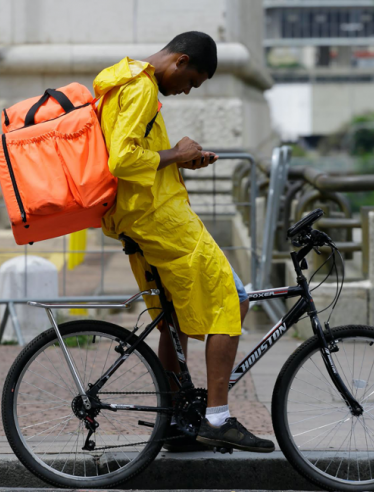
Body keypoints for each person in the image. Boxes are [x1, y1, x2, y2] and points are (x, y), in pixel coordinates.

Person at [93, 31, 274, 453]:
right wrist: (177, 153)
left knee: (172, 319)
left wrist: (181, 160)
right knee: (233, 297)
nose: (186, 89)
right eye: (192, 81)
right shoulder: (141, 87)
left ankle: (175, 422)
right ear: (180, 60)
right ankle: (217, 418)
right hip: (160, 220)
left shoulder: (127, 81)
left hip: (138, 217)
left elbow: (137, 158)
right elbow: (121, 159)